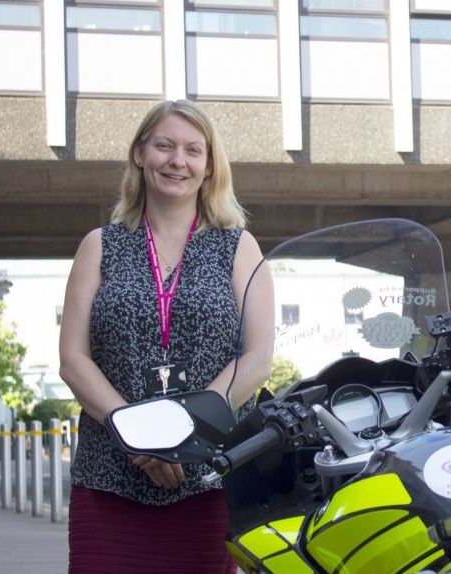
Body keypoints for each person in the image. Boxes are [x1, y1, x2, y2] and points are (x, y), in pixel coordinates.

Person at [59, 99, 274, 573]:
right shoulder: (99, 245)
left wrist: (183, 434)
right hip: (107, 480)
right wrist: (138, 437)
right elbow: (73, 359)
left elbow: (257, 358)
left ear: (209, 165)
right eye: (165, 146)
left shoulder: (239, 246)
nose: (178, 160)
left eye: (193, 150)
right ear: (140, 154)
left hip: (207, 482)